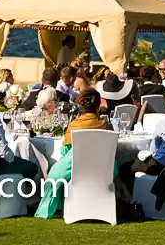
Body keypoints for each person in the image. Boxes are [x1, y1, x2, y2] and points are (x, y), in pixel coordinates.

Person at [35, 88, 116, 218]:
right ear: (97, 106)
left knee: (54, 177)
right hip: (105, 169)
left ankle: (45, 212)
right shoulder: (106, 125)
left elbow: (64, 150)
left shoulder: (74, 125)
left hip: (77, 168)